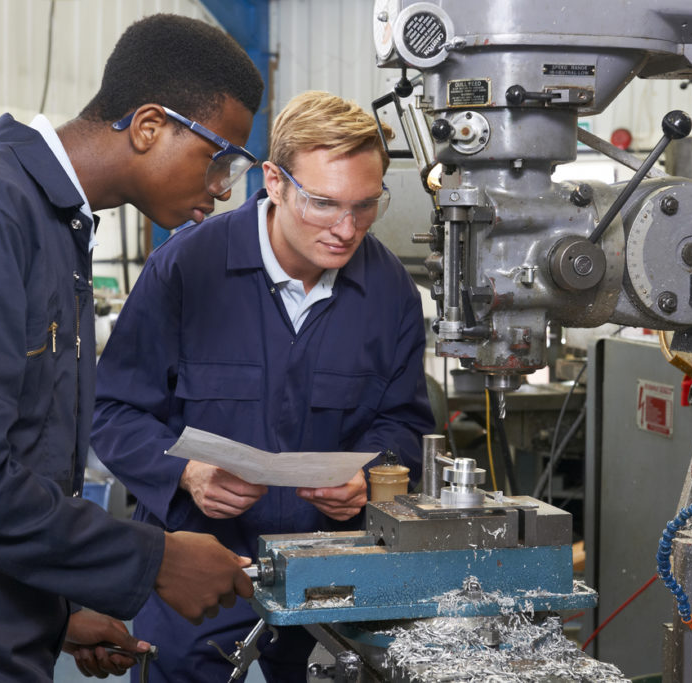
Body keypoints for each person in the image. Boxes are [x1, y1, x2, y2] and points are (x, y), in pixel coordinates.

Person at [0, 14, 264, 682]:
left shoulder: (58, 230)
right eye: (220, 157)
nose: (225, 187)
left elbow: (15, 458)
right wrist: (156, 559)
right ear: (149, 125)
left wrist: (51, 612)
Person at [91, 90, 436, 681]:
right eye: (325, 203)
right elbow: (114, 411)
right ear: (274, 181)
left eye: (366, 205)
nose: (347, 229)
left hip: (333, 574)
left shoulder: (390, 293)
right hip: (203, 570)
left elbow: (405, 424)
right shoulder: (186, 270)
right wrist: (186, 474)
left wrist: (369, 477)